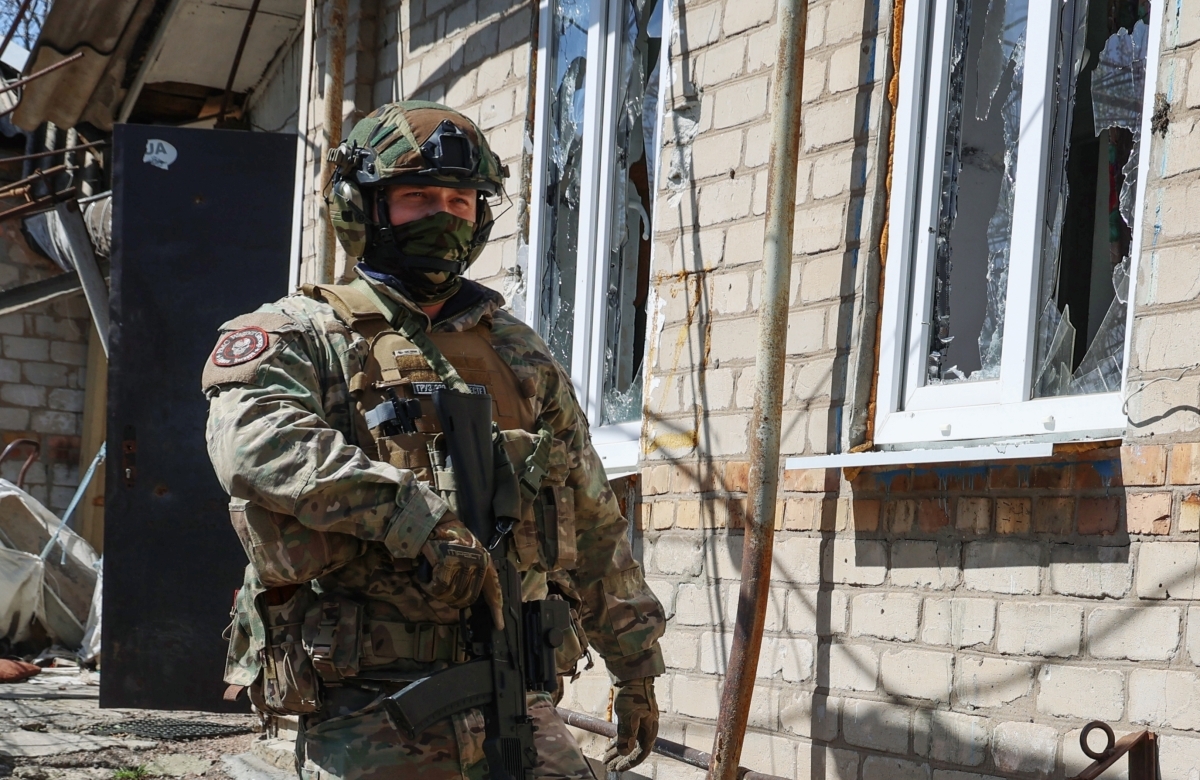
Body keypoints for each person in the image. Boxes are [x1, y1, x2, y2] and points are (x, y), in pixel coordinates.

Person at [203, 100, 666, 780]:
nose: (444, 216)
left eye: (460, 200)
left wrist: (635, 664)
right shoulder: (296, 333)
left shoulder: (517, 350)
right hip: (370, 700)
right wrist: (411, 516)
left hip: (514, 690)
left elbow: (592, 516)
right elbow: (256, 447)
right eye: (417, 198)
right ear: (362, 208)